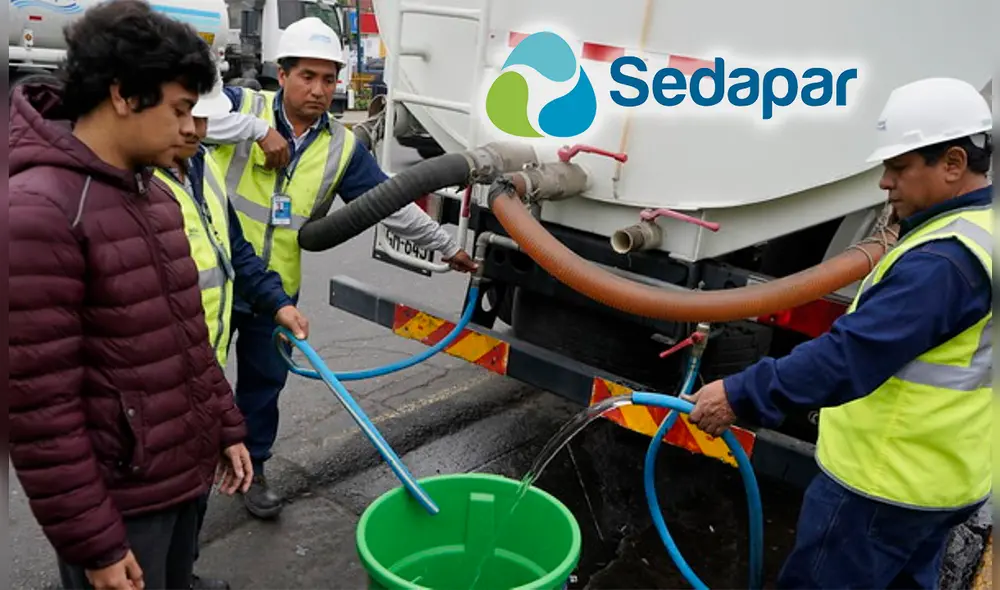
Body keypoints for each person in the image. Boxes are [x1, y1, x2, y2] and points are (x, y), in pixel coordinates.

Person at [683, 76, 993, 589]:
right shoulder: (983, 231)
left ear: (954, 164)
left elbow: (850, 356)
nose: (884, 182)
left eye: (898, 167)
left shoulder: (945, 263)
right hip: (944, 479)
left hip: (882, 485)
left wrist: (740, 393)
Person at [8, 1, 254, 589]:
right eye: (180, 109)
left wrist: (224, 424)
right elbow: (40, 412)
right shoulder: (40, 212)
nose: (193, 129)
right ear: (122, 94)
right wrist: (95, 544)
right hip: (122, 503)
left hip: (180, 475)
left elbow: (188, 337)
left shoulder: (156, 194)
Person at [202, 16, 479, 519]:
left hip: (276, 293)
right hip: (216, 281)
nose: (318, 89)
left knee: (264, 387)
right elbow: (194, 123)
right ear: (281, 74)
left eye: (329, 79)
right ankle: (191, 482)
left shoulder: (342, 146)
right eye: (307, 76)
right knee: (198, 386)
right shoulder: (243, 106)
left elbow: (389, 204)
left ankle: (255, 469)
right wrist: (258, 129)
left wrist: (446, 248)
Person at [153, 69, 311, 590]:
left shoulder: (201, 167)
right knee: (152, 515)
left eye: (204, 119)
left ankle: (184, 576)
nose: (195, 130)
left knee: (190, 498)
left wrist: (277, 305)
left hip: (201, 370)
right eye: (185, 116)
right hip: (153, 391)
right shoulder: (132, 187)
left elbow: (234, 250)